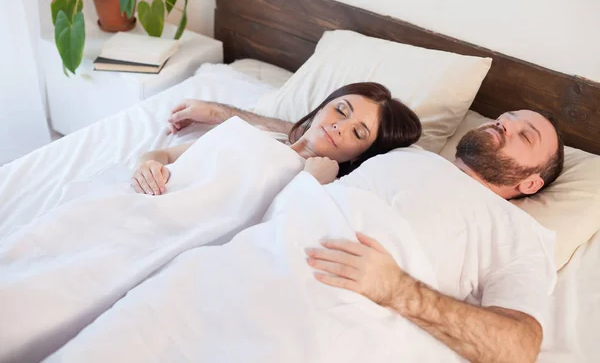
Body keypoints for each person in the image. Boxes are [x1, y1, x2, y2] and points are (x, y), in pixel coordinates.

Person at [169, 102, 565, 363]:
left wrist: (397, 289)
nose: (504, 126)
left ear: (531, 184)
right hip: (254, 254)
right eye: (504, 119)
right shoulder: (410, 152)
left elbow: (519, 345)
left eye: (524, 135)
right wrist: (225, 113)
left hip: (334, 302)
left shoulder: (521, 233)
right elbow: (320, 133)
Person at [132, 82, 421, 195]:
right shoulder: (259, 133)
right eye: (340, 110)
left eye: (358, 133)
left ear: (360, 155)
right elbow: (164, 155)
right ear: (321, 109)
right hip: (151, 196)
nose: (340, 127)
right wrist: (146, 166)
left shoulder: (326, 186)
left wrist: (312, 182)